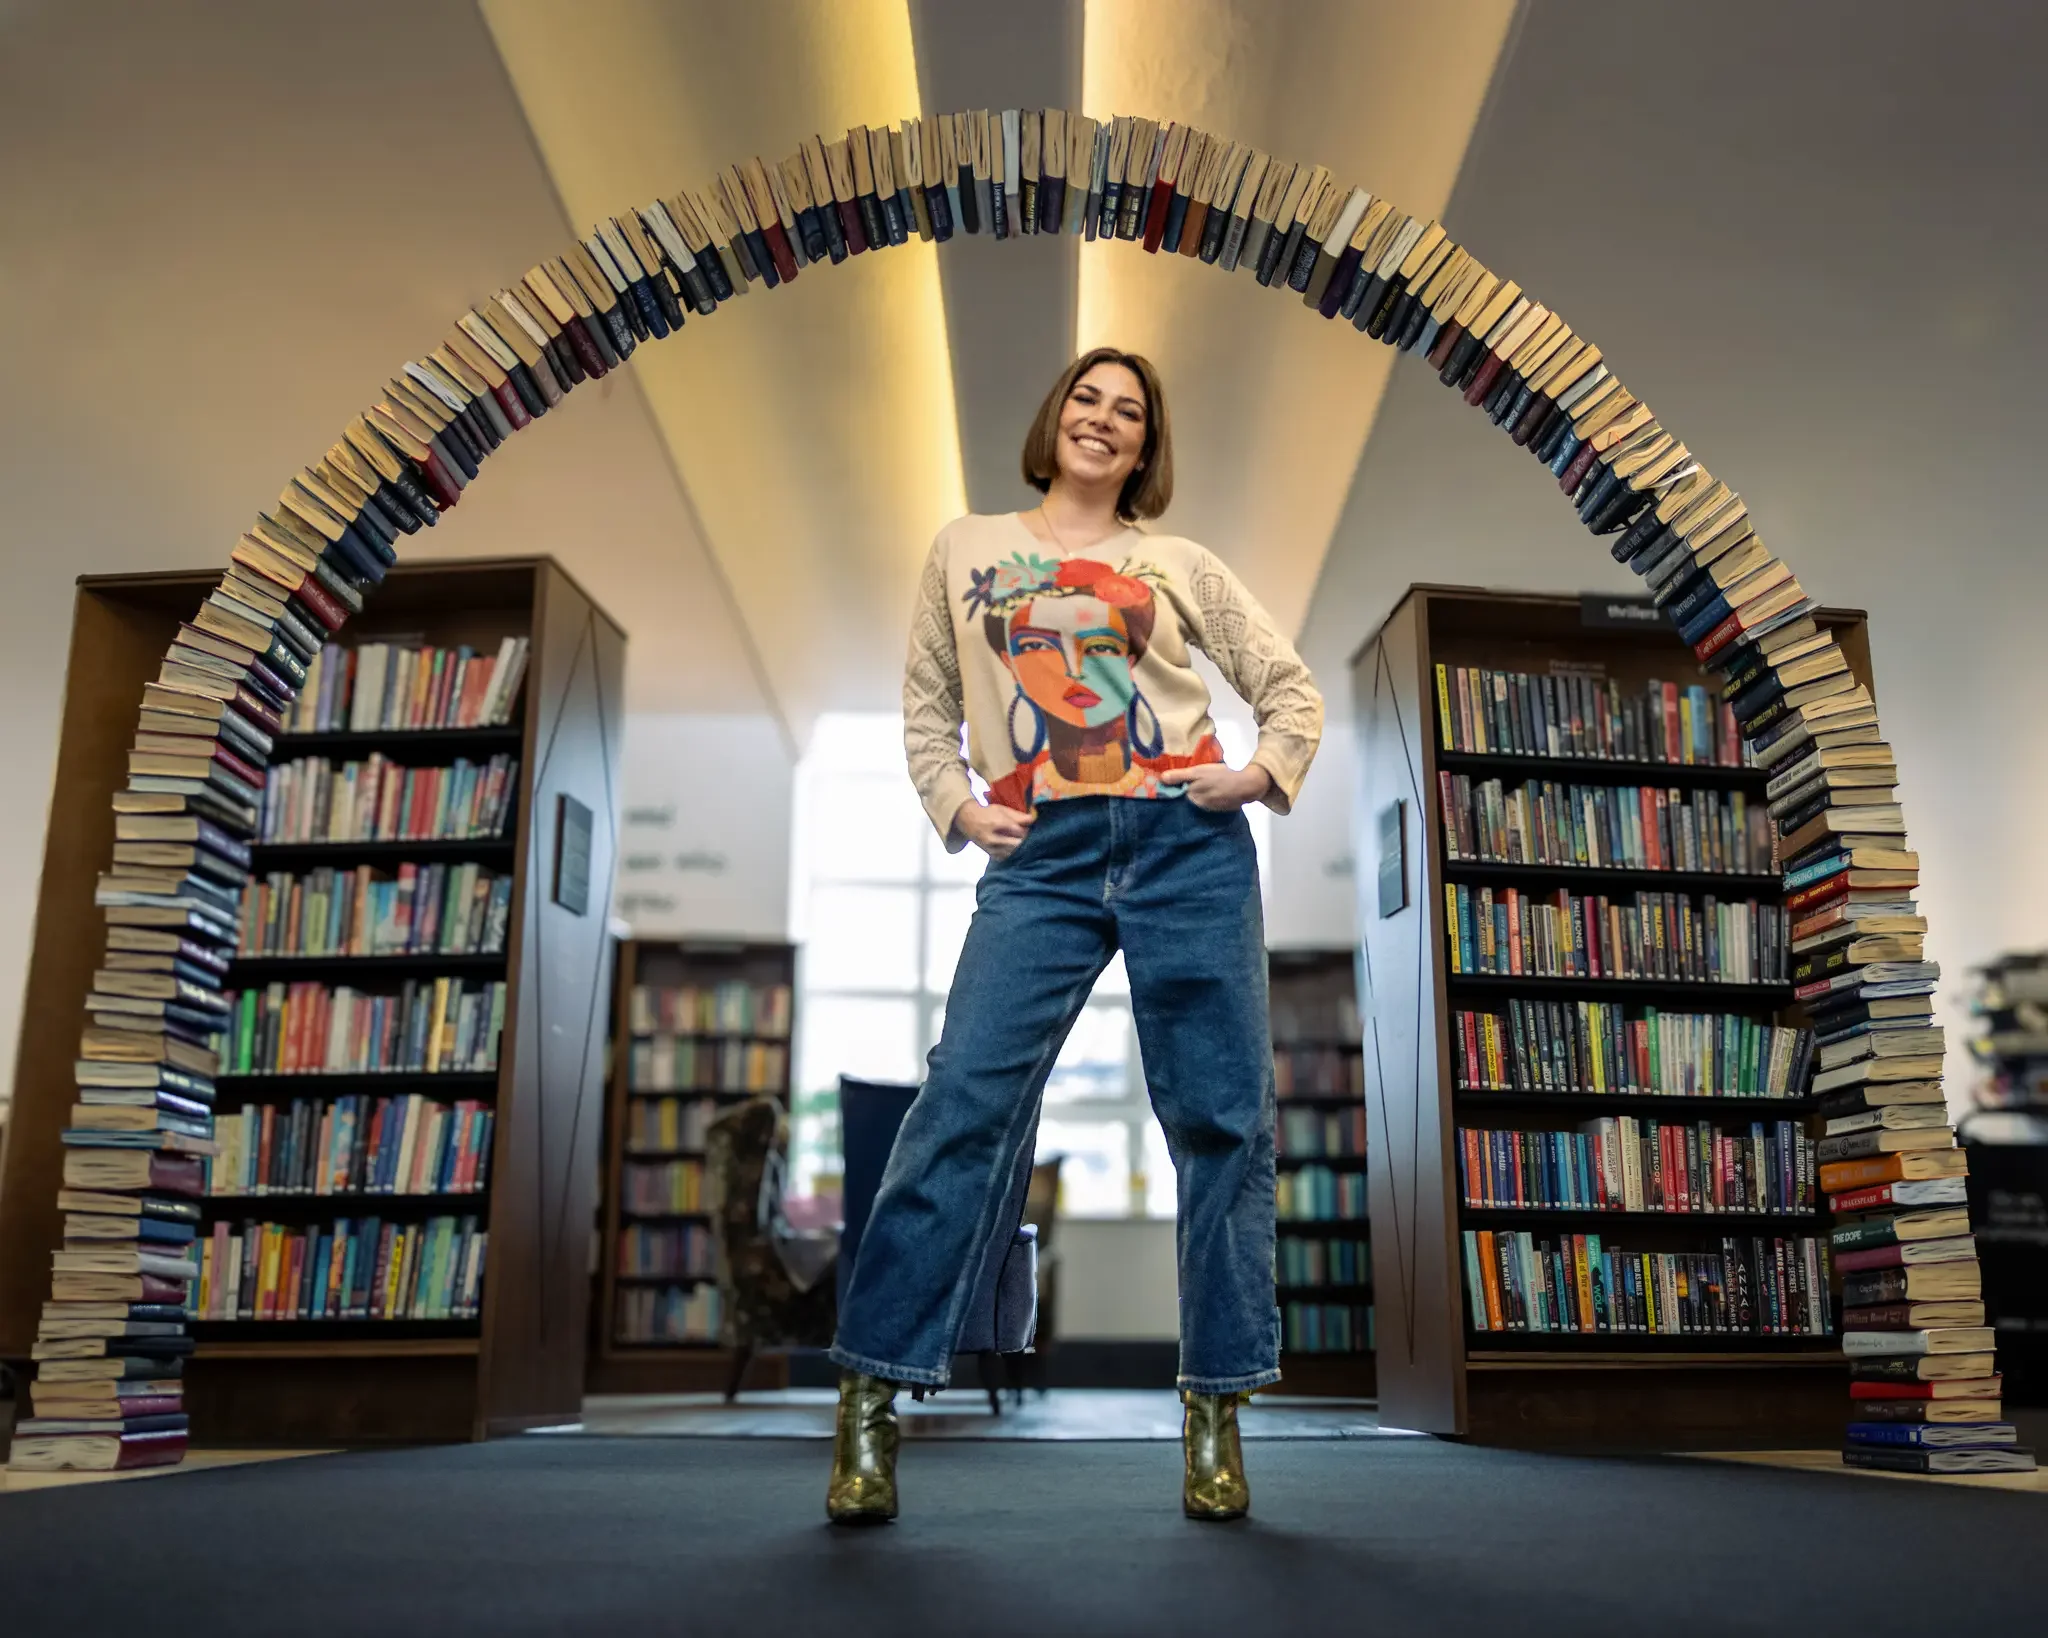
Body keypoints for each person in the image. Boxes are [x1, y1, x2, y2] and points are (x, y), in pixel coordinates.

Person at [826, 346, 1324, 1524]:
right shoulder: (964, 548)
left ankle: (1213, 1411)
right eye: (1086, 401)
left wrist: (1254, 776)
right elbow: (926, 705)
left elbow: (1287, 689)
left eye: (1129, 413)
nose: (1103, 422)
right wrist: (955, 806)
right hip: (1039, 855)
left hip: (1182, 842)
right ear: (1053, 421)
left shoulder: (1175, 563)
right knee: (960, 1103)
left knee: (1219, 1118)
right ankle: (867, 1401)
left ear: (1145, 449)